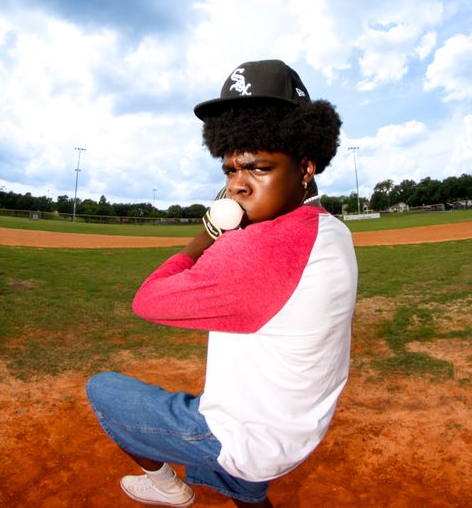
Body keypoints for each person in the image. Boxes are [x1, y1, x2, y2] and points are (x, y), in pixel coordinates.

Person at [86, 59, 358, 507]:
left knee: (103, 390)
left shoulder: (263, 249)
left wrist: (208, 235)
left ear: (306, 167)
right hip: (293, 427)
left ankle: (166, 486)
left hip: (246, 439)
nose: (238, 186)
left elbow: (148, 299)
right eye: (231, 170)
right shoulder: (332, 231)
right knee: (243, 471)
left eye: (258, 167)